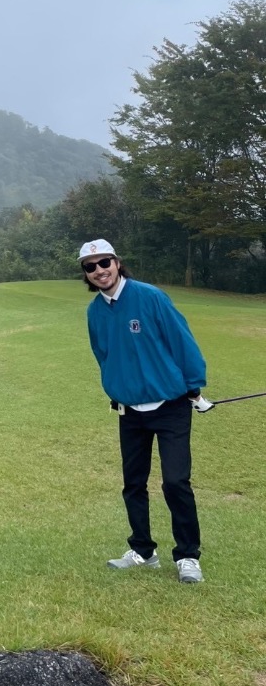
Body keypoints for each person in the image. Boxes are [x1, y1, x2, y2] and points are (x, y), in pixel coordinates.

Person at [79, 238, 212, 584]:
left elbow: (181, 341)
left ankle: (187, 556)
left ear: (117, 263)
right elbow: (102, 355)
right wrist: (115, 388)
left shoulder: (150, 297)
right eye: (90, 267)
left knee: (175, 482)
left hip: (170, 407)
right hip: (130, 412)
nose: (99, 271)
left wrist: (194, 389)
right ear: (86, 274)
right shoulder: (95, 311)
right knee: (133, 483)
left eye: (104, 263)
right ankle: (143, 551)